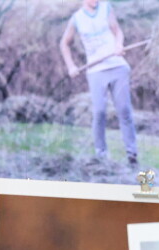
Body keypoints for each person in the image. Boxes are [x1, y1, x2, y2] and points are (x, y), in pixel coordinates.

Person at [60, 0, 139, 167]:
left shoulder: (106, 8)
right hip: (96, 71)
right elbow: (64, 44)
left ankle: (132, 155)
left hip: (117, 66)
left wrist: (119, 45)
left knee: (124, 110)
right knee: (100, 112)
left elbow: (118, 32)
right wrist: (71, 66)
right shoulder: (76, 19)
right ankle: (101, 156)